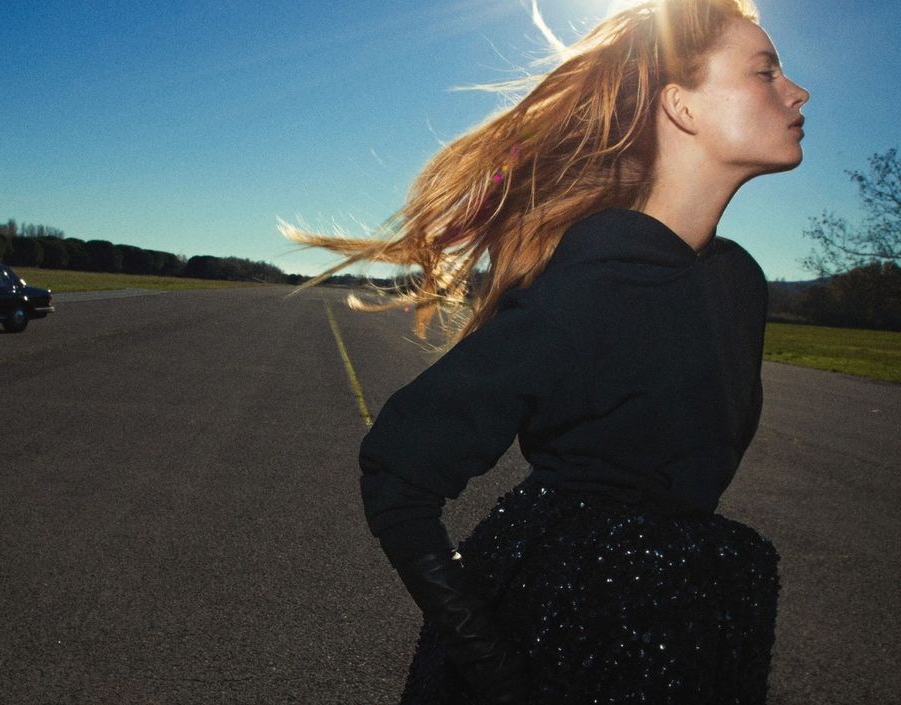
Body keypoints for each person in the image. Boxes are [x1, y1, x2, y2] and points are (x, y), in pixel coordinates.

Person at [284, 0, 808, 702]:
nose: (797, 92)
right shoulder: (593, 282)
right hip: (565, 625)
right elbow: (398, 472)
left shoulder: (737, 282)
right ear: (680, 106)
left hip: (691, 628)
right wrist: (491, 668)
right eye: (766, 72)